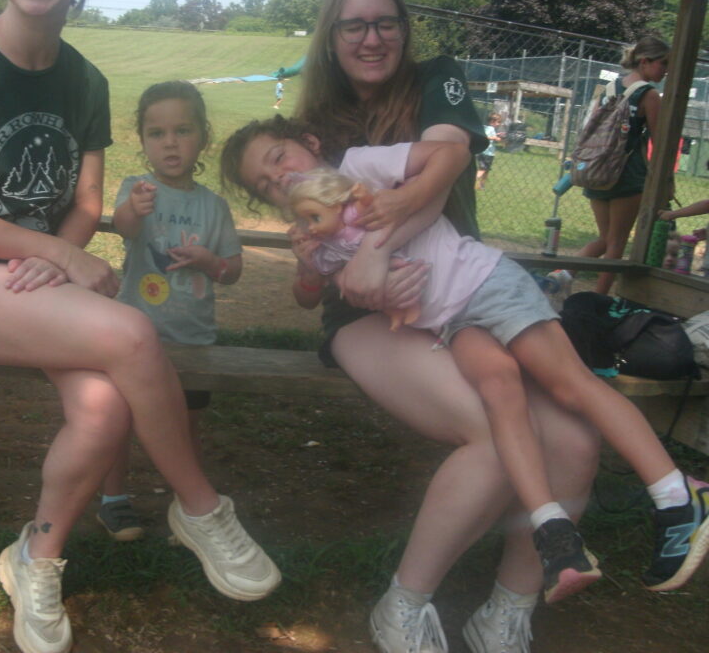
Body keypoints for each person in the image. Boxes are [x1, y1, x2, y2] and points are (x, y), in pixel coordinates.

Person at [0, 0, 279, 653]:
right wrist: (61, 257)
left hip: (38, 284)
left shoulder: (86, 83)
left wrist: (56, 253)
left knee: (103, 410)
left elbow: (87, 202)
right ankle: (201, 508)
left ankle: (34, 558)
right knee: (132, 335)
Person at [222, 0, 605, 653]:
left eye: (385, 22)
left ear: (404, 27)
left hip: (459, 292)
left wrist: (378, 247)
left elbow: (446, 162)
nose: (371, 38)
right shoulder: (315, 131)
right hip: (370, 318)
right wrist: (360, 277)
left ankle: (508, 609)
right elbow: (320, 270)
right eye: (353, 26)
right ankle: (404, 602)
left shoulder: (436, 79)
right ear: (331, 38)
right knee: (494, 430)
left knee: (574, 441)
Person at [272, 132, 709, 605]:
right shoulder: (327, 238)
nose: (277, 178)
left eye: (276, 159)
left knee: (569, 385)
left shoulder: (362, 176)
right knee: (499, 393)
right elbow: (332, 285)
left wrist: (400, 199)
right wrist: (310, 259)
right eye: (264, 183)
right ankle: (553, 529)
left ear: (311, 146)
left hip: (486, 285)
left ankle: (679, 496)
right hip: (452, 322)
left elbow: (445, 154)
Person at [97, 80, 242, 541]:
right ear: (142, 140)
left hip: (193, 338)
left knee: (185, 426)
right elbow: (123, 228)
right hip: (137, 337)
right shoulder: (136, 190)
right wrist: (134, 210)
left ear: (203, 136)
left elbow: (233, 270)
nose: (170, 143)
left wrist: (210, 262)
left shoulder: (214, 206)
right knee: (120, 419)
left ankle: (188, 507)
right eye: (157, 133)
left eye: (183, 130)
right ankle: (113, 500)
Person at [575, 36, 670, 295]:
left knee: (605, 239)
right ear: (645, 61)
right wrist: (666, 181)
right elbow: (660, 142)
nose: (666, 71)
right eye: (663, 63)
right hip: (627, 175)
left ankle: (560, 274)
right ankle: (599, 299)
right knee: (616, 243)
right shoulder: (649, 95)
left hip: (597, 170)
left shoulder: (609, 87)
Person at [475, 112, 500, 190]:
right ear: (492, 121)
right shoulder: (491, 128)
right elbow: (485, 136)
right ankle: (473, 180)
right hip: (487, 153)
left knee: (486, 170)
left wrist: (496, 135)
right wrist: (495, 138)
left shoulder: (486, 127)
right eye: (498, 122)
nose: (499, 124)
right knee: (483, 169)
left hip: (484, 152)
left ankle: (481, 185)